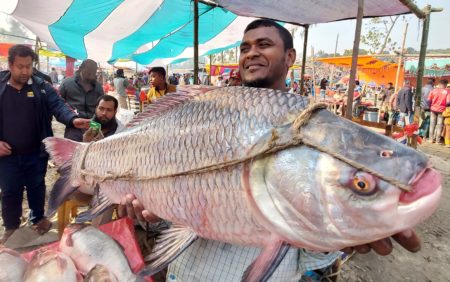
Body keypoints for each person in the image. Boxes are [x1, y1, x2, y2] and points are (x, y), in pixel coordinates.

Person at [120, 20, 422, 281]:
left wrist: (337, 237)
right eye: (245, 47)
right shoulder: (203, 112)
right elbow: (167, 209)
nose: (251, 52)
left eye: (264, 44)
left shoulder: (313, 125)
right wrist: (153, 215)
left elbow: (310, 255)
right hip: (184, 274)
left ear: (290, 56)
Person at [0, 44, 90, 243]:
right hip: (7, 155)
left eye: (28, 66)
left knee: (37, 186)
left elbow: (59, 106)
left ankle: (38, 218)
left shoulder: (42, 86)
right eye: (20, 67)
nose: (25, 71)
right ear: (10, 65)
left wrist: (73, 120)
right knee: (10, 190)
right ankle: (11, 227)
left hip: (35, 151)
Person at [59, 59, 104, 141]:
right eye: (88, 73)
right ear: (80, 69)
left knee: (92, 151)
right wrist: (70, 119)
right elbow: (59, 105)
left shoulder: (98, 87)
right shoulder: (67, 84)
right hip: (74, 126)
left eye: (93, 73)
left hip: (93, 125)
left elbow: (102, 106)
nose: (91, 76)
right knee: (73, 150)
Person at [427, 79, 450, 144]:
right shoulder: (447, 91)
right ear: (445, 85)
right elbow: (448, 102)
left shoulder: (433, 90)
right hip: (442, 110)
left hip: (433, 109)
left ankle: (431, 139)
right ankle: (437, 140)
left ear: (439, 84)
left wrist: (430, 107)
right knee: (439, 125)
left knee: (432, 124)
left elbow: (428, 100)